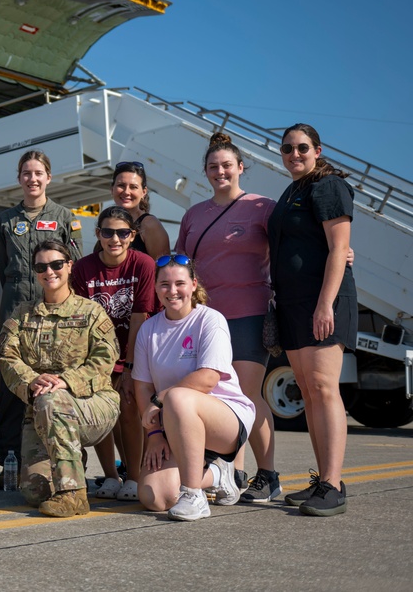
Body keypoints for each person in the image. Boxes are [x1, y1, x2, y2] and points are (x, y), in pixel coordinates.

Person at [175, 133, 279, 501]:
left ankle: (268, 475)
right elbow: (180, 266)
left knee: (248, 395)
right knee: (215, 394)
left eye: (227, 165)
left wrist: (341, 251)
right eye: (213, 166)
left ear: (241, 168)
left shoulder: (263, 208)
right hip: (205, 320)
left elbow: (298, 242)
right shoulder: (194, 214)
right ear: (205, 171)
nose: (220, 171)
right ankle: (232, 473)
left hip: (249, 312)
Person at [268, 123, 356, 516]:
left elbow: (340, 250)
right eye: (287, 149)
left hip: (323, 301)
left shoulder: (328, 186)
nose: (294, 154)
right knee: (308, 390)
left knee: (323, 388)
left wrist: (326, 305)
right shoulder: (291, 192)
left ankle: (334, 484)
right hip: (292, 303)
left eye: (302, 147)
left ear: (317, 150)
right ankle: (324, 480)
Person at [0, 242, 120, 517]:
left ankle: (72, 495)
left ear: (69, 266)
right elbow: (7, 357)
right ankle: (71, 460)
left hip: (92, 406)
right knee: (34, 492)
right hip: (41, 410)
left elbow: (105, 359)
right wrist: (31, 381)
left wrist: (65, 381)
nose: (49, 271)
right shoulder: (22, 314)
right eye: (41, 267)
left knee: (52, 399)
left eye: (56, 264)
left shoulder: (91, 312)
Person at [134, 254, 256, 522]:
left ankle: (194, 495)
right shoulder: (148, 330)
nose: (172, 291)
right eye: (164, 284)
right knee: (156, 497)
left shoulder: (210, 320)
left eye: (180, 283)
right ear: (155, 288)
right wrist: (154, 434)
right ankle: (219, 474)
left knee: (177, 396)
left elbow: (209, 378)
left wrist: (163, 397)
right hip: (175, 424)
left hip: (225, 421)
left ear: (193, 285)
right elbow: (142, 387)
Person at [0, 150, 81, 490]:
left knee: (52, 382)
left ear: (49, 177)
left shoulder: (63, 217)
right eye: (26, 173)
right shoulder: (5, 220)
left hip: (54, 312)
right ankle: (8, 461)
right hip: (16, 311)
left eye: (38, 173)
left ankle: (53, 459)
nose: (32, 179)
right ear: (19, 179)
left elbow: (73, 264)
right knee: (12, 386)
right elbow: (1, 267)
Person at [72, 206, 156, 502]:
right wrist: (94, 367)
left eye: (122, 233)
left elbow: (139, 316)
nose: (115, 239)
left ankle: (133, 476)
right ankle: (110, 474)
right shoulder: (83, 268)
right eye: (108, 232)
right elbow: (83, 320)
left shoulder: (143, 264)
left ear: (132, 236)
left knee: (130, 410)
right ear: (98, 234)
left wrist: (131, 367)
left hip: (134, 350)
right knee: (101, 415)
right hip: (96, 354)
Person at [111, 161, 170, 258]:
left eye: (133, 187)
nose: (126, 192)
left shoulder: (149, 225)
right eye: (121, 185)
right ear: (112, 189)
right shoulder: (107, 221)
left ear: (143, 192)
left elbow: (162, 270)